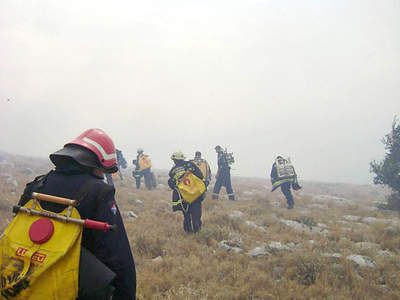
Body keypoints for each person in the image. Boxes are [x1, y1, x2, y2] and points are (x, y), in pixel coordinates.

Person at [18, 128, 136, 299]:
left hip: (24, 276)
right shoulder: (99, 192)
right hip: (69, 284)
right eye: (103, 170)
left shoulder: (38, 185)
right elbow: (116, 254)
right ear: (96, 164)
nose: (102, 174)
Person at [168, 151, 205, 233]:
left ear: (174, 160)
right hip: (196, 194)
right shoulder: (191, 165)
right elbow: (200, 176)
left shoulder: (173, 171)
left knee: (187, 216)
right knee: (196, 215)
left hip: (184, 197)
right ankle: (197, 232)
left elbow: (171, 185)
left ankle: (188, 233)